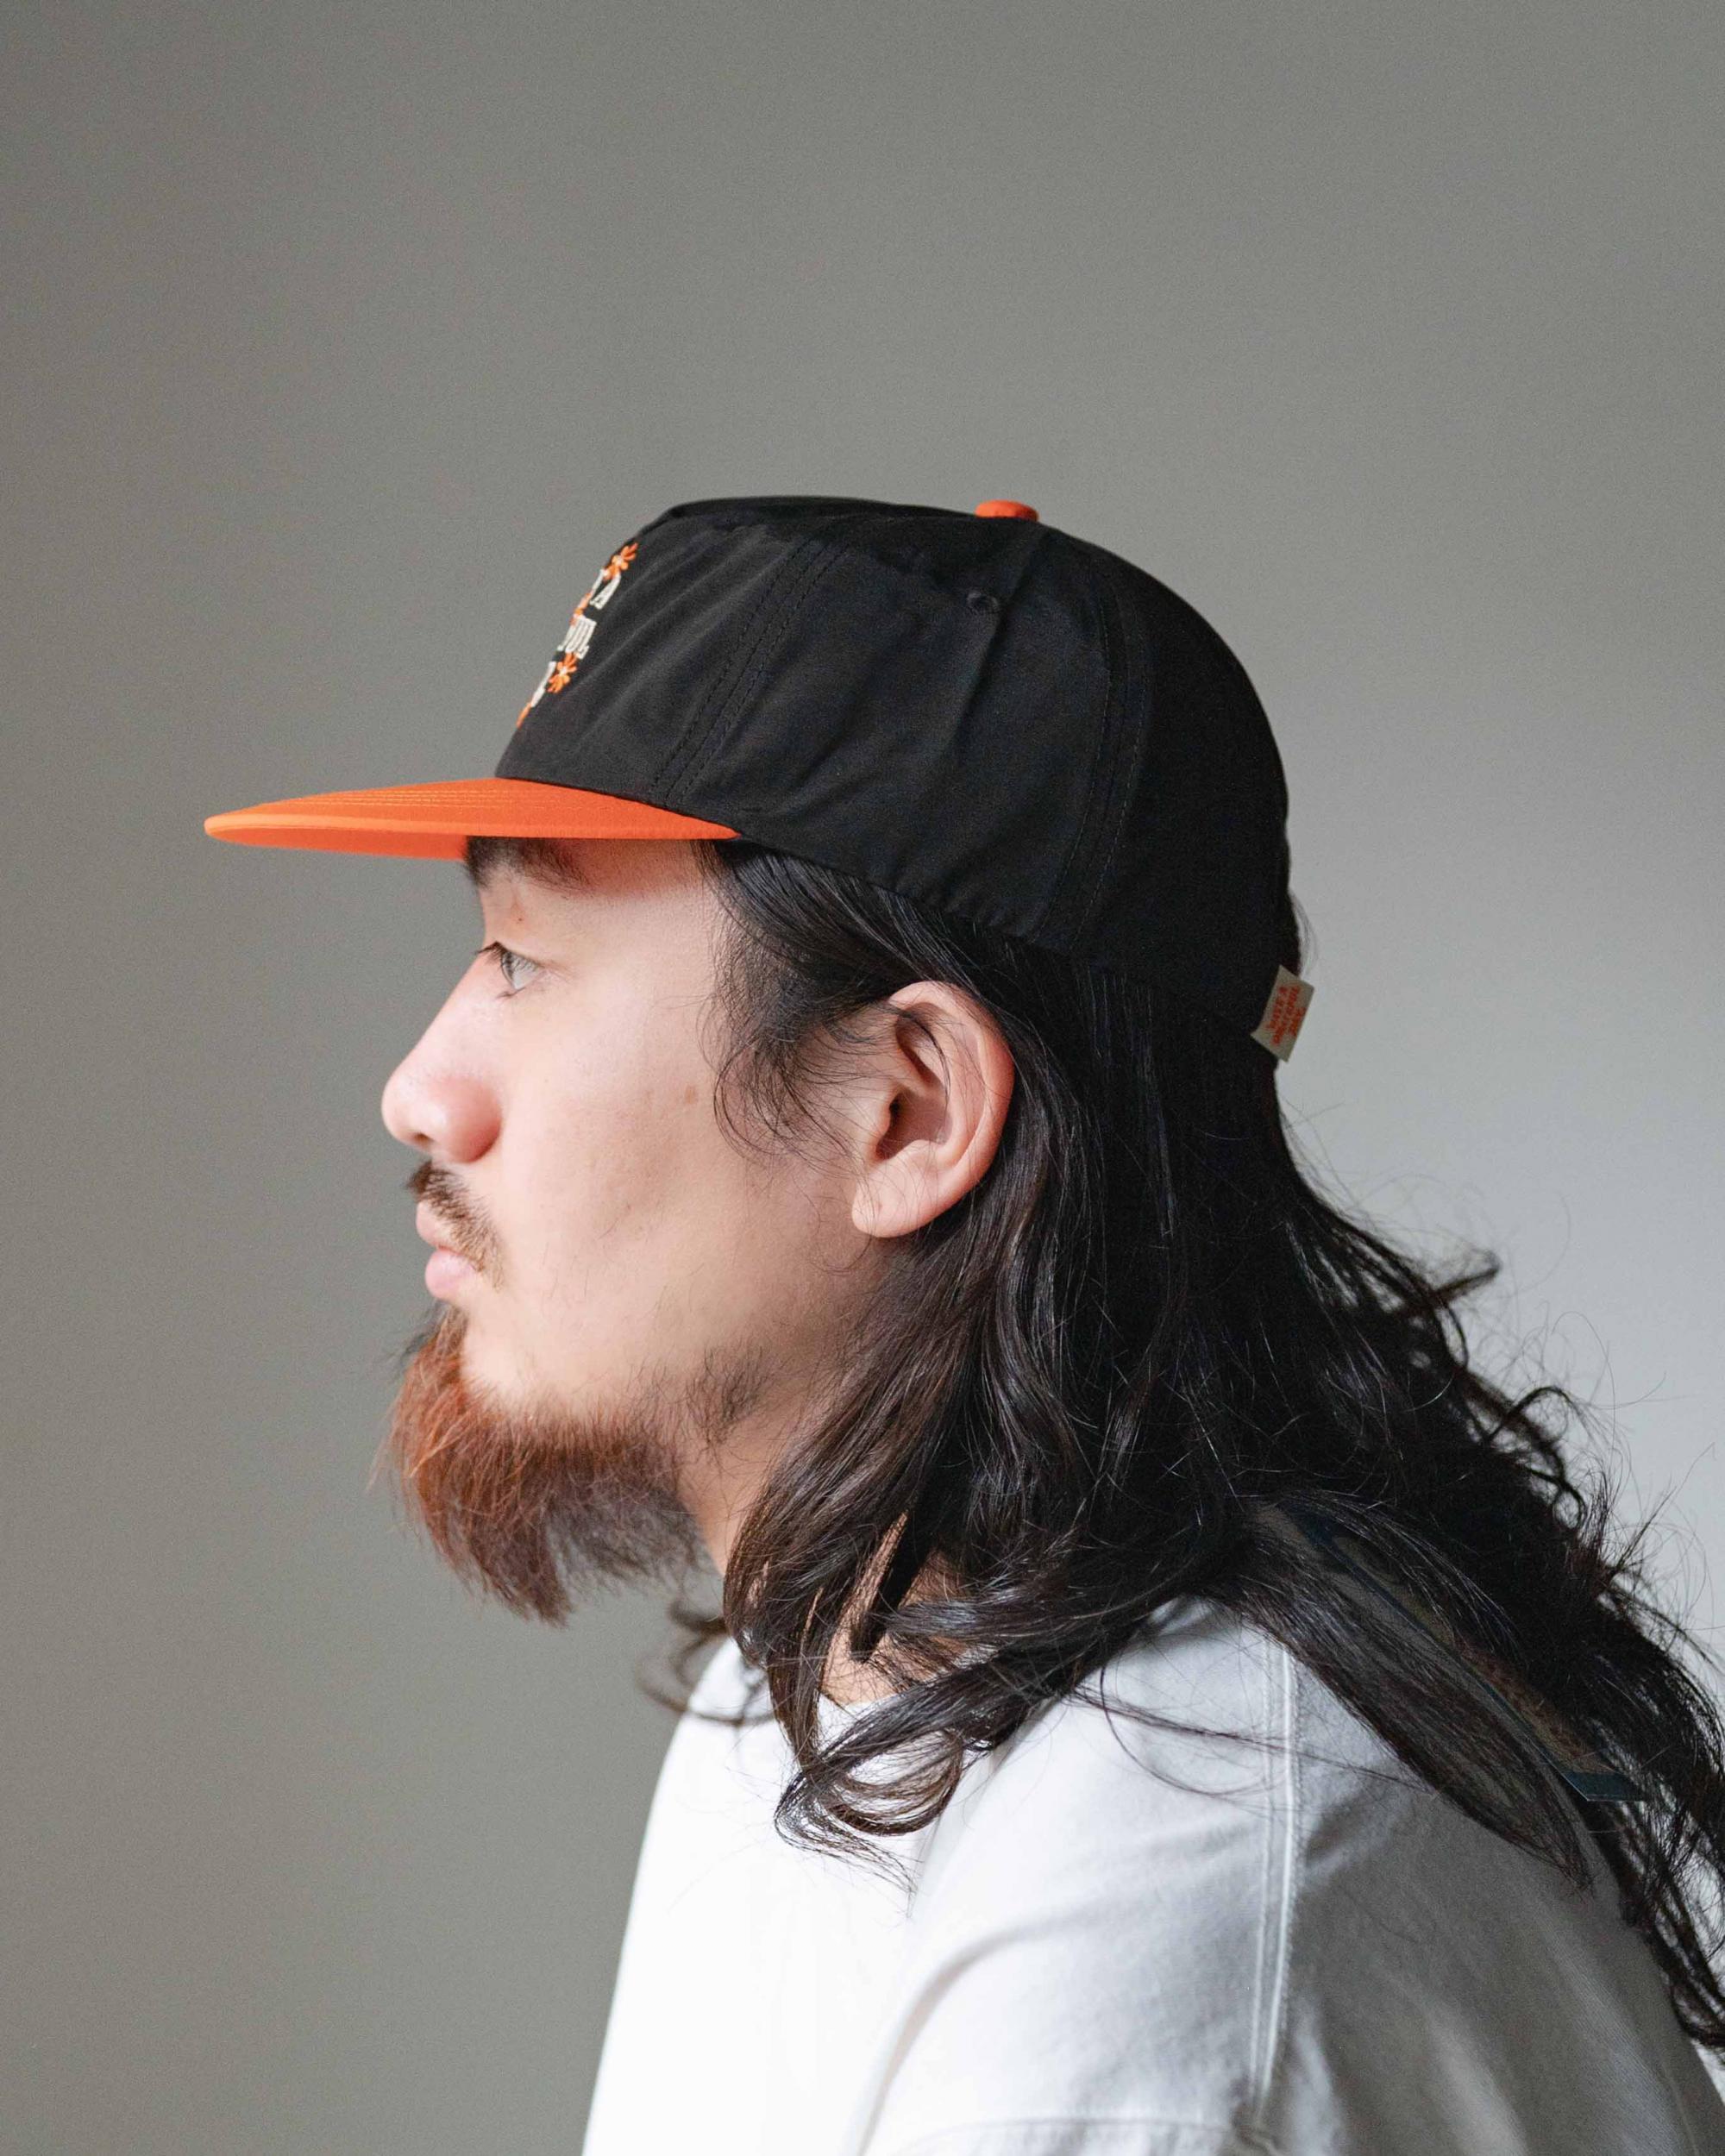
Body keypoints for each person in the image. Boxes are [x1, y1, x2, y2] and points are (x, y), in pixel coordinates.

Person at [204, 493, 1725, 2155]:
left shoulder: (1161, 1912)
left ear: (907, 1112)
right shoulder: (815, 1701)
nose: (420, 1090)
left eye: (524, 959)